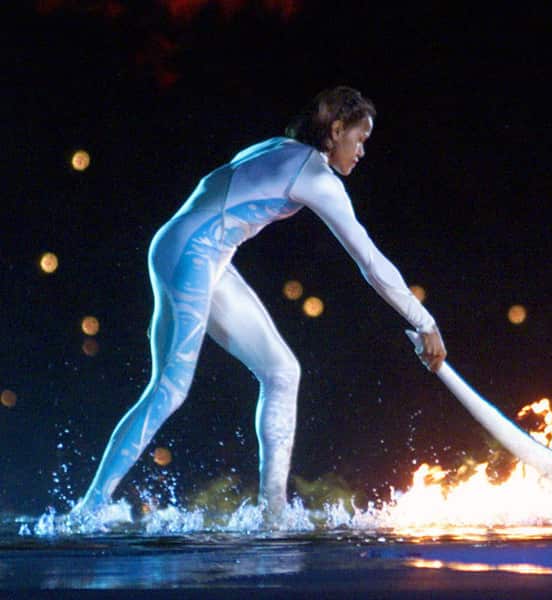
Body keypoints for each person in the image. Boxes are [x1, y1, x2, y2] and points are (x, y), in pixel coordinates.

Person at [72, 86, 446, 517]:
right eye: (360, 139)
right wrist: (424, 322)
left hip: (197, 252)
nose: (362, 151)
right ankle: (89, 508)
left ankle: (274, 514)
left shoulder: (280, 147)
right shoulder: (316, 176)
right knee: (170, 388)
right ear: (336, 129)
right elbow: (370, 261)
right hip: (192, 252)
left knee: (283, 372)